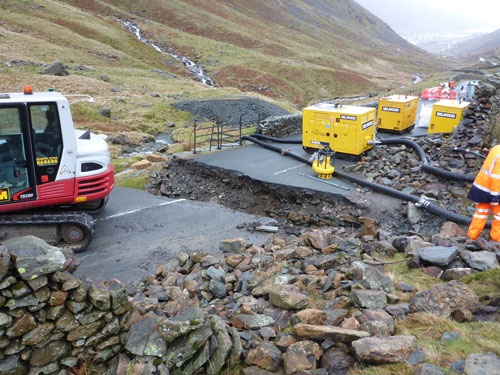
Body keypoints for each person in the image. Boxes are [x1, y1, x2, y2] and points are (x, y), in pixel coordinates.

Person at [467, 144, 500, 241]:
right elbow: (496, 178)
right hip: (494, 189)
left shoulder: (496, 148)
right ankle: (496, 240)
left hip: (482, 187)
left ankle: (472, 236)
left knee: (481, 213)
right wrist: (495, 197)